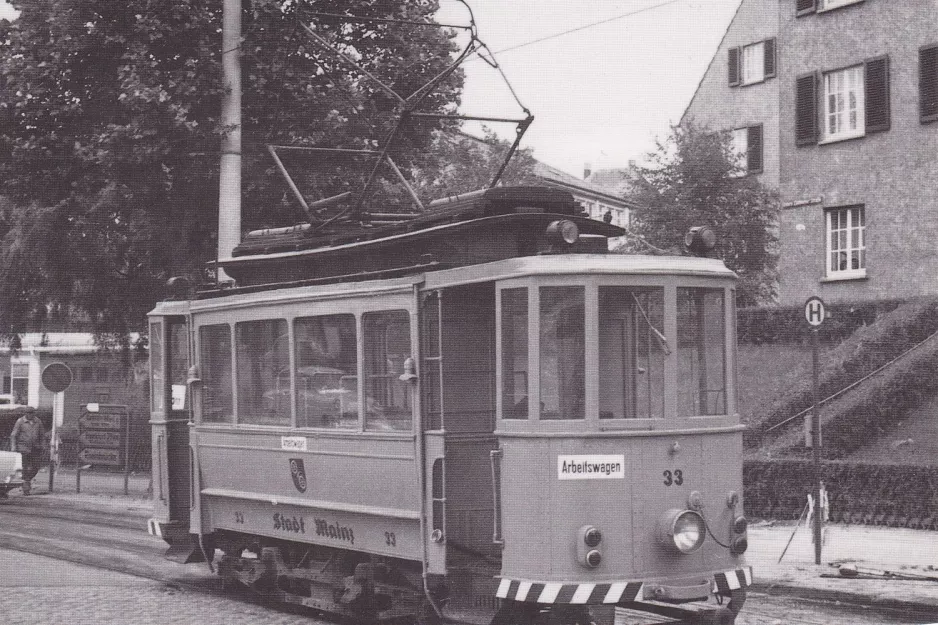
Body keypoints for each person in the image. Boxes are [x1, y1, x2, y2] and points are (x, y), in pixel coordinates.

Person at [10, 408, 46, 495]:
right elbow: (14, 435)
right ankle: (26, 488)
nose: (31, 415)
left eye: (32, 413)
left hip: (35, 448)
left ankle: (26, 480)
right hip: (23, 448)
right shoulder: (20, 422)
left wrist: (43, 445)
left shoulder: (38, 421)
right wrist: (13, 447)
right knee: (25, 468)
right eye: (29, 413)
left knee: (36, 466)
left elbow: (42, 435)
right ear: (25, 413)